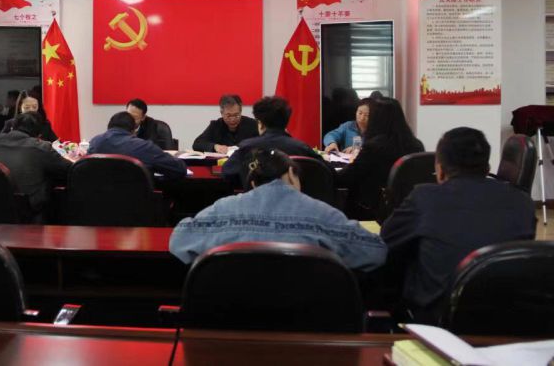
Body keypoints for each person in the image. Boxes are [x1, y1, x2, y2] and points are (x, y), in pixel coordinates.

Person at [380, 127, 536, 323]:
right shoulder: (523, 202)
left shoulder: (424, 197)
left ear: (440, 169)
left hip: (436, 322)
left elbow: (386, 241)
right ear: (487, 167)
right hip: (509, 319)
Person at [170, 149, 387, 269]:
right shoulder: (323, 214)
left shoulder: (222, 209)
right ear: (292, 174)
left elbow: (179, 240)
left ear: (252, 183)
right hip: (309, 323)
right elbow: (376, 252)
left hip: (234, 322)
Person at [335, 98, 424, 220]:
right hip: (407, 211)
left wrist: (325, 167)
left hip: (371, 212)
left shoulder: (374, 147)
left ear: (376, 119)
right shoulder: (417, 145)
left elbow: (346, 178)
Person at [0, 112, 72, 222]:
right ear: (39, 134)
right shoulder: (41, 147)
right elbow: (69, 169)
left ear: (13, 127)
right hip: (31, 212)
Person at [222, 95, 325, 185]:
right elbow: (326, 171)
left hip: (256, 200)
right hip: (295, 200)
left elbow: (227, 172)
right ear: (286, 122)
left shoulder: (246, 147)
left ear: (261, 124)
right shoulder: (302, 148)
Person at [89, 112, 187, 180]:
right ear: (134, 130)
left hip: (99, 201)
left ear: (109, 127)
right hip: (137, 201)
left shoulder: (95, 143)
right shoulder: (144, 147)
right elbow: (180, 169)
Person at [192, 94, 259, 153]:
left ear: (241, 111)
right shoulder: (215, 126)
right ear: (222, 113)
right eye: (228, 116)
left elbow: (263, 141)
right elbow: (197, 144)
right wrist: (215, 146)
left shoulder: (252, 124)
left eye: (236, 115)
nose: (233, 119)